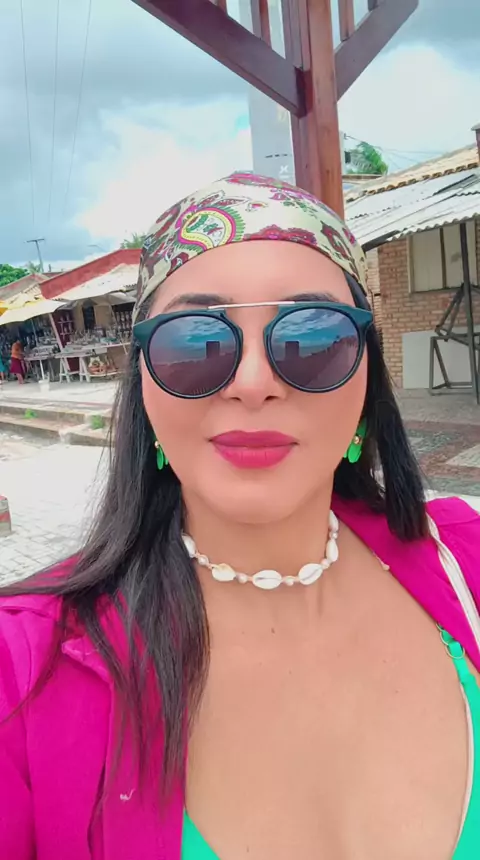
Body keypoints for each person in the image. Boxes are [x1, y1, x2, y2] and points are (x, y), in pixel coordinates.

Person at [0, 172, 479, 860]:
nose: (255, 384)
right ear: (144, 391)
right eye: (195, 343)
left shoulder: (467, 563)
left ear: (367, 380)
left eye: (314, 339)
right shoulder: (22, 677)